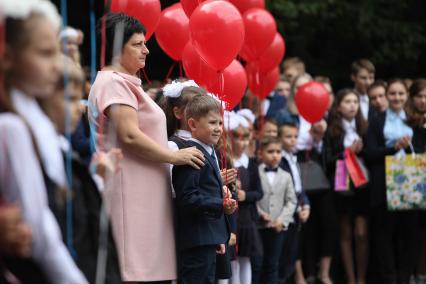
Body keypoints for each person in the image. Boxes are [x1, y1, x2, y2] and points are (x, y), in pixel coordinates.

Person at [88, 13, 205, 282]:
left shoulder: (124, 83)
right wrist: (174, 156)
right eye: (138, 44)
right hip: (130, 193)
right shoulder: (112, 82)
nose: (146, 50)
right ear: (118, 48)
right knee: (134, 273)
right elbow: (129, 136)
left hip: (145, 194)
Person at [2, 1, 88, 282]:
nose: (56, 65)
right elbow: (40, 233)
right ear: (7, 56)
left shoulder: (36, 124)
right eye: (45, 53)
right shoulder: (13, 126)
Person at [38, 54, 122, 283]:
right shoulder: (37, 149)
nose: (79, 109)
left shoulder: (63, 150)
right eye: (70, 99)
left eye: (79, 100)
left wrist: (98, 175)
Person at [171, 94, 237, 284]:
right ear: (192, 124)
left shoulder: (210, 152)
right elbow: (188, 198)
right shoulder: (191, 154)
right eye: (212, 123)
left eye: (220, 123)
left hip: (208, 237)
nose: (218, 129)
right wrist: (220, 204)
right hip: (196, 240)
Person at [365, 79, 417, 284]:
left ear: (407, 96)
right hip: (383, 184)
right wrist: (394, 148)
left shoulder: (415, 119)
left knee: (410, 234)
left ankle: (404, 277)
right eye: (393, 93)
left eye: (401, 94)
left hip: (412, 182)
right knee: (384, 234)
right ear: (387, 95)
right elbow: (370, 153)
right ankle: (389, 278)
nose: (397, 98)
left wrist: (408, 148)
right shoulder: (377, 120)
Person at [324, 89, 369, 284]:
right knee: (345, 233)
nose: (352, 105)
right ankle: (351, 279)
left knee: (361, 233)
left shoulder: (365, 127)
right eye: (347, 102)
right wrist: (347, 153)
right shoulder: (332, 130)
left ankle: (361, 278)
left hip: (363, 186)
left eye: (355, 102)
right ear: (339, 106)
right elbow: (328, 160)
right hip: (342, 184)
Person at [227, 112, 263, 284]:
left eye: (245, 138)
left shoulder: (251, 163)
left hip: (247, 219)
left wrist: (245, 195)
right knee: (231, 259)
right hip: (231, 217)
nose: (242, 143)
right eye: (238, 138)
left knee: (245, 257)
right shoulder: (225, 161)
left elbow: (259, 192)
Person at [256, 136, 297, 284]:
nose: (275, 155)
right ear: (261, 153)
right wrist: (260, 213)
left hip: (278, 228)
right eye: (270, 151)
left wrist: (282, 220)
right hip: (259, 226)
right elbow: (253, 197)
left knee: (273, 263)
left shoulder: (286, 176)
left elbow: (291, 200)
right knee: (258, 262)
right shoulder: (256, 172)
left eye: (278, 152)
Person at [278, 122, 311, 284]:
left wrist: (306, 205)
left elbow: (300, 187)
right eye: (288, 137)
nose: (293, 140)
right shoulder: (280, 160)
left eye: (295, 137)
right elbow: (285, 190)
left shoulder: (293, 158)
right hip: (285, 213)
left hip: (298, 210)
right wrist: (298, 207)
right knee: (283, 257)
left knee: (292, 254)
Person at [406, 79, 426, 283]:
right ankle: (409, 271)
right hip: (411, 182)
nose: (423, 101)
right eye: (419, 96)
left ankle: (421, 272)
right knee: (412, 231)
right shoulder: (406, 122)